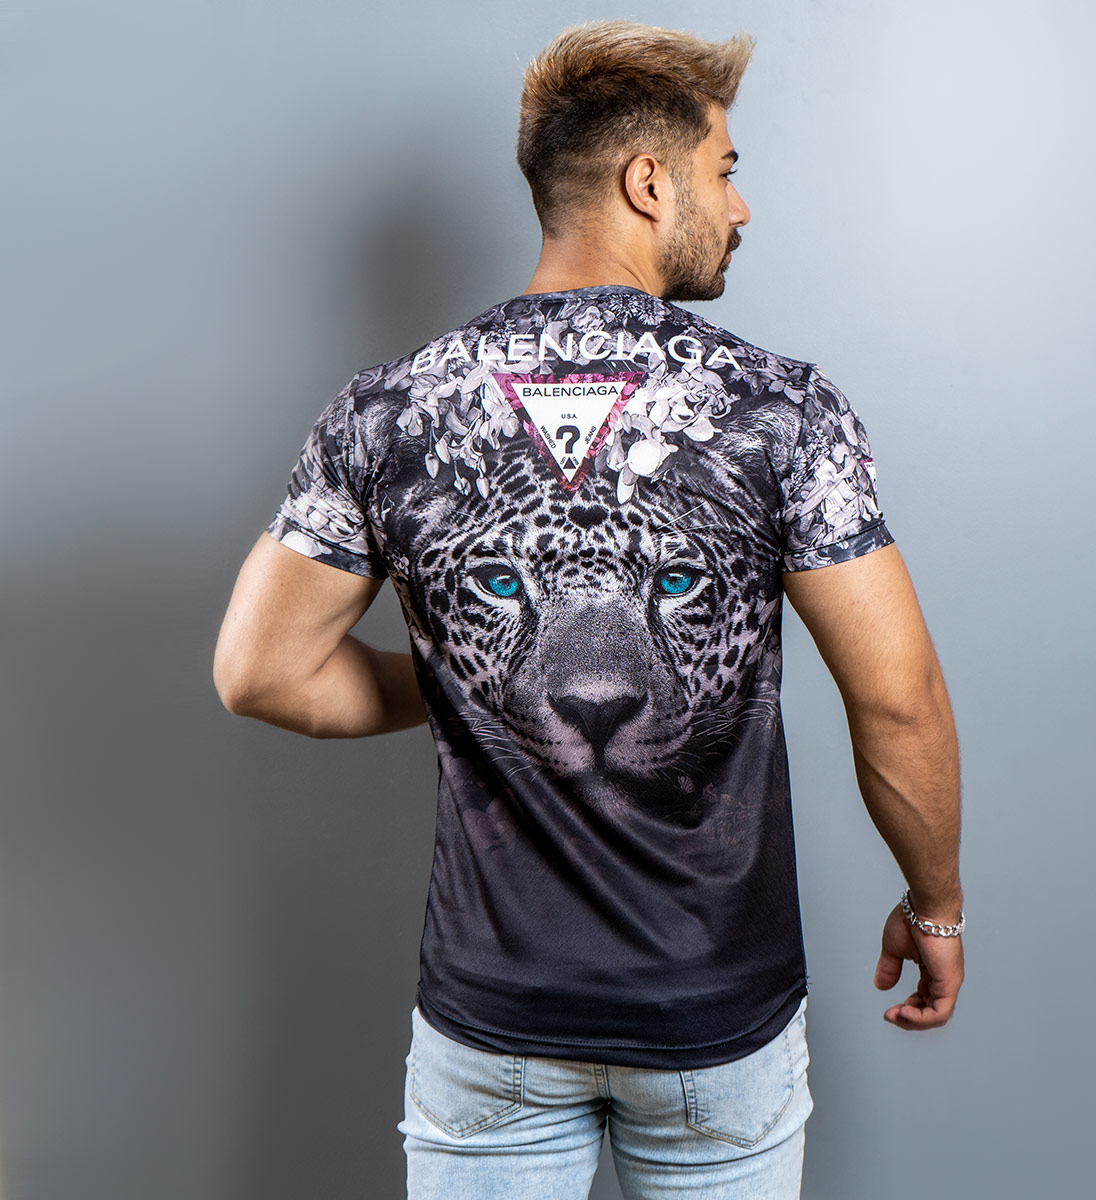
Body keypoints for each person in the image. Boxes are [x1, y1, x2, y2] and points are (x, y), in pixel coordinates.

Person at [213, 19, 963, 1199]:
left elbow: (260, 671)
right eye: (724, 169)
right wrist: (938, 904)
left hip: (492, 1021)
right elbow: (899, 699)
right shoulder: (779, 410)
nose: (741, 206)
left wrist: (478, 673)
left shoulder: (388, 411)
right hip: (714, 1014)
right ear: (649, 182)